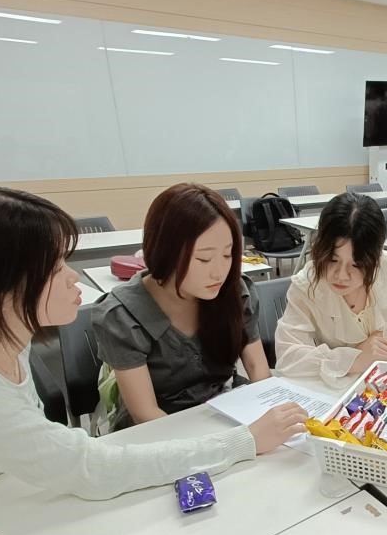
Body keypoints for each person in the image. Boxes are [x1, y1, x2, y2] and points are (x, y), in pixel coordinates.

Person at [0, 185, 307, 517]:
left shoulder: (1, 341)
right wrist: (242, 442)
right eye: (54, 269)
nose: (74, 279)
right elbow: (91, 469)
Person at [92, 184, 269, 431]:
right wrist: (226, 444)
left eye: (228, 255)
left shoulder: (235, 291)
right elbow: (145, 414)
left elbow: (258, 369)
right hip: (161, 430)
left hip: (225, 409)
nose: (219, 272)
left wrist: (270, 413)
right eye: (204, 259)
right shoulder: (123, 315)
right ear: (165, 251)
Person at [275, 194, 387, 385]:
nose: (341, 275)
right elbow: (287, 356)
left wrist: (385, 336)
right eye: (332, 260)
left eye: (356, 265)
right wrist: (351, 359)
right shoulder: (308, 285)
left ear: (376, 257)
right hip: (341, 390)